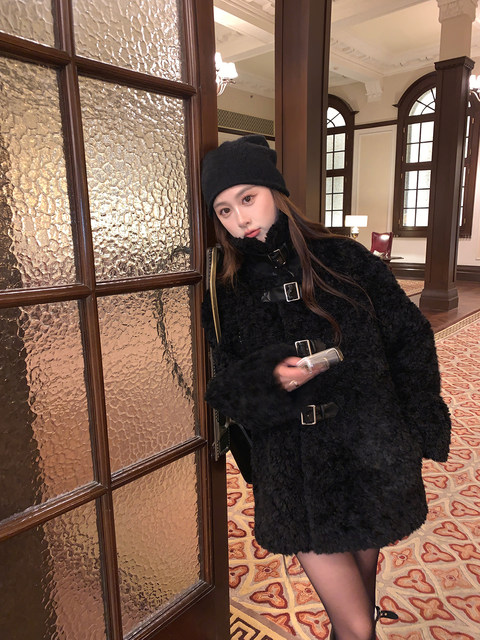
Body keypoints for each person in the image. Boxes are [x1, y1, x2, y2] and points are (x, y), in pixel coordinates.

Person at [200, 135, 451, 640]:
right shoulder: (226, 288)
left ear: (275, 191)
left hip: (372, 452)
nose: (240, 219)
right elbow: (224, 384)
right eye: (224, 210)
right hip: (296, 474)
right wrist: (272, 377)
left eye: (248, 198)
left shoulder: (345, 258)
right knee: (355, 624)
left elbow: (410, 338)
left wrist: (416, 427)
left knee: (360, 600)